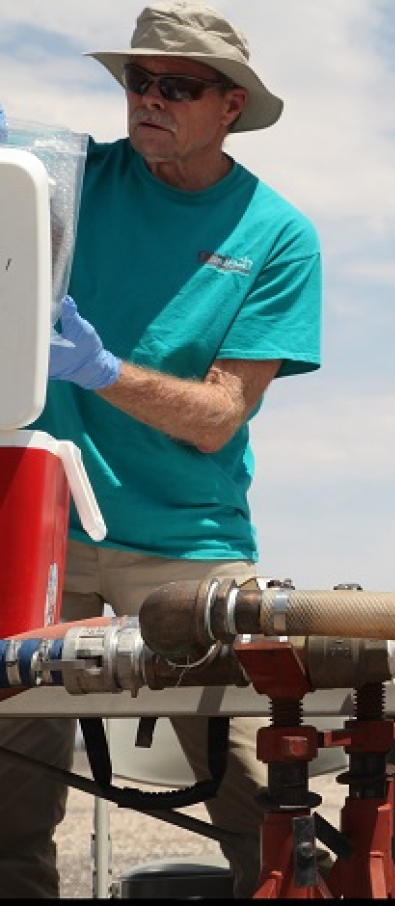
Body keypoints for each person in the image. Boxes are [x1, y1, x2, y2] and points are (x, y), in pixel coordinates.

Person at [0, 2, 321, 898]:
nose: (149, 99)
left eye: (176, 86)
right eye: (139, 81)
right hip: (41, 522)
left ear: (230, 105)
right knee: (7, 791)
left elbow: (221, 415)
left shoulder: (276, 235)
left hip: (188, 538)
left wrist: (101, 372)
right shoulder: (61, 182)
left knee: (263, 783)